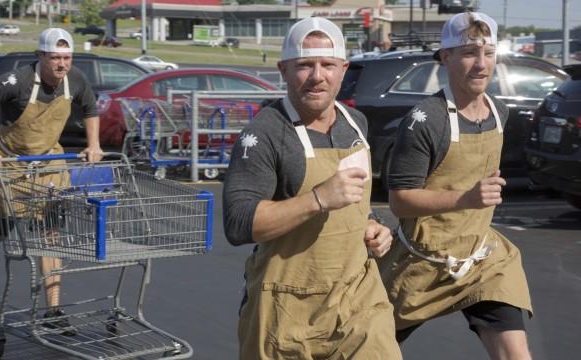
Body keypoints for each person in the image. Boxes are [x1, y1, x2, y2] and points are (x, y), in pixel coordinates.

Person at [223, 17, 402, 359]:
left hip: (357, 297)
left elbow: (355, 200)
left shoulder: (356, 124)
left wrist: (373, 224)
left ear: (343, 69)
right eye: (305, 65)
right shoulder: (264, 134)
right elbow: (239, 223)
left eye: (327, 65)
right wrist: (318, 199)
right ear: (284, 70)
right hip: (285, 307)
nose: (318, 76)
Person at [378, 12, 533, 359]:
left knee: (516, 354)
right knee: (367, 349)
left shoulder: (499, 112)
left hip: (483, 259)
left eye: (488, 53)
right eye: (468, 53)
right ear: (445, 58)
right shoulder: (425, 120)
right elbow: (400, 202)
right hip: (420, 264)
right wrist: (465, 198)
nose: (481, 65)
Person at [0, 28, 103, 335]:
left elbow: (91, 108)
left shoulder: (76, 79)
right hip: (10, 160)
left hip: (49, 161)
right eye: (55, 58)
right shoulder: (18, 81)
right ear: (40, 56)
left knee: (50, 232)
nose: (62, 64)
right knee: (2, 227)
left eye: (66, 58)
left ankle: (53, 310)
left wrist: (93, 144)